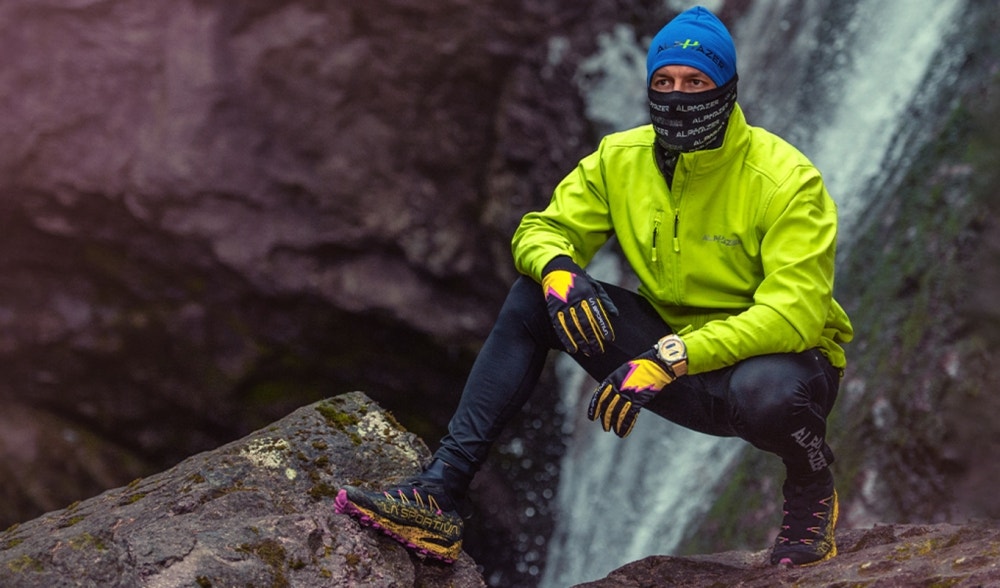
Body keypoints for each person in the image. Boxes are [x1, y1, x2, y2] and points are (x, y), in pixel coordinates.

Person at [335, 5, 853, 568]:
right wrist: (559, 269)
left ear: (727, 88)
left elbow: (795, 314)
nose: (678, 96)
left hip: (773, 369)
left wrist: (675, 355)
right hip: (661, 363)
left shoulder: (785, 180)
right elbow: (541, 229)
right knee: (535, 299)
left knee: (769, 391)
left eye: (696, 82)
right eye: (665, 82)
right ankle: (439, 491)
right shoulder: (620, 160)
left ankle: (810, 487)